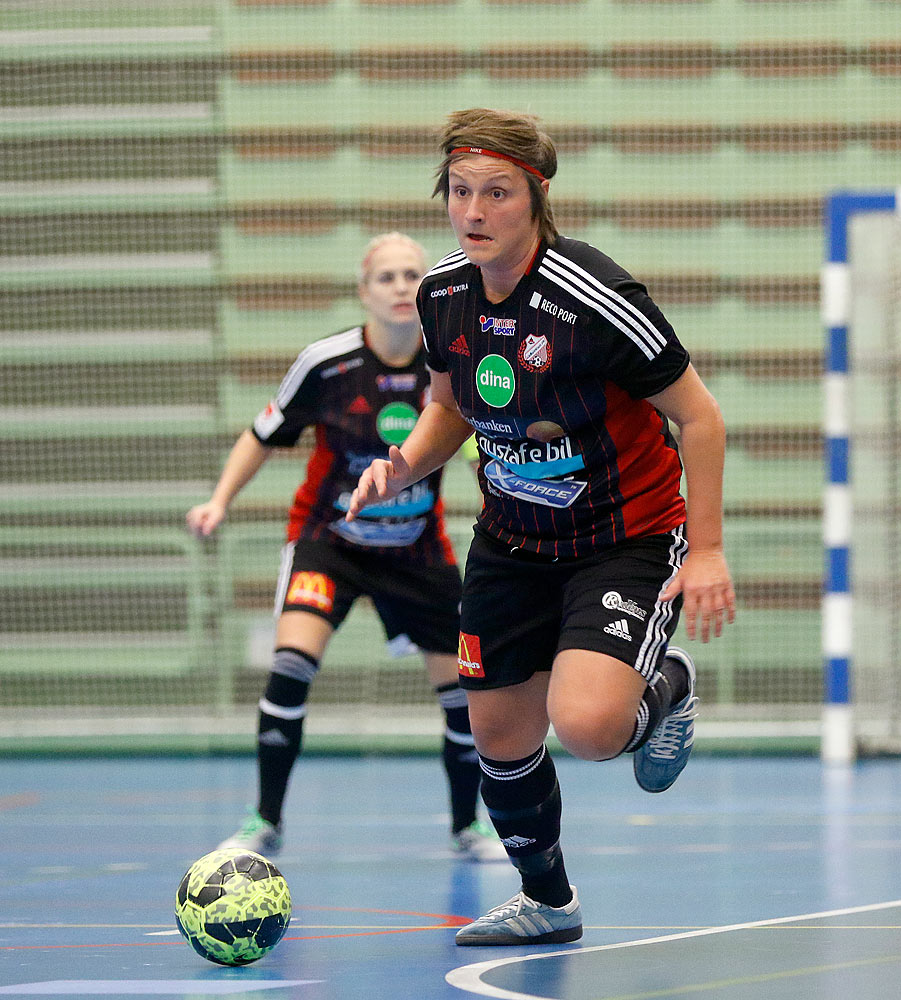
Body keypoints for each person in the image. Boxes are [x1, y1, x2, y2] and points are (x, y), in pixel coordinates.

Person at [349, 108, 735, 946]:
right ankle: (548, 901)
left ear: (537, 197)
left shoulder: (593, 295)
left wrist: (704, 550)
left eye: (497, 193)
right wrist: (404, 465)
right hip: (511, 542)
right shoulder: (442, 295)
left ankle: (664, 686)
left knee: (591, 728)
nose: (474, 211)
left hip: (624, 538)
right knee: (499, 733)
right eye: (460, 193)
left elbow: (700, 419)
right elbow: (448, 408)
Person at [186, 232, 505, 863]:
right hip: (328, 544)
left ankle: (468, 826)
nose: (399, 286)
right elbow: (262, 432)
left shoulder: (452, 366)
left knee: (465, 693)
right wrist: (219, 500)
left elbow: (478, 444)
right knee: (291, 666)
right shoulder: (327, 364)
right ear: (364, 291)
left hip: (415, 551)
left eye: (412, 274)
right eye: (385, 276)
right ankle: (264, 820)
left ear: (429, 288)